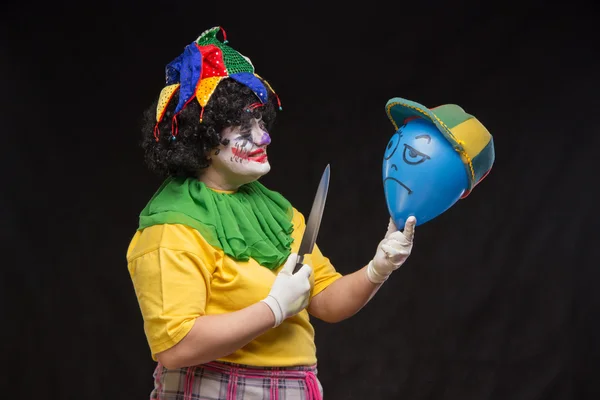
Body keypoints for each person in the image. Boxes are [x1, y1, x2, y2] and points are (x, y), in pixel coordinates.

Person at [126, 26, 416, 400]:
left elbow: (325, 300)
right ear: (202, 138)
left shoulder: (278, 213)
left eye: (260, 122)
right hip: (213, 390)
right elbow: (176, 347)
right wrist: (274, 308)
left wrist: (379, 268)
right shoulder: (172, 226)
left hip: (294, 388)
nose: (263, 138)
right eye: (244, 128)